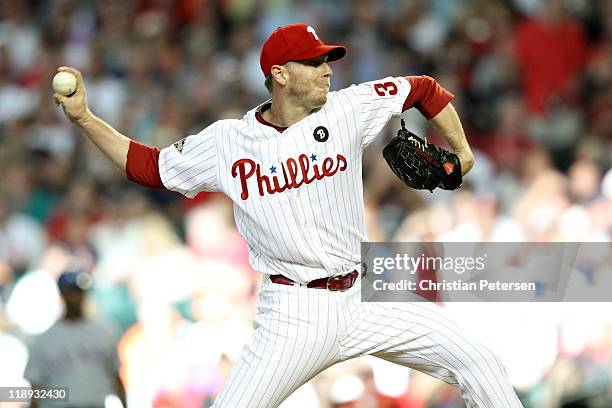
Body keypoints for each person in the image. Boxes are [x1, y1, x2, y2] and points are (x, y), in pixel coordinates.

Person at [54, 23, 522, 408]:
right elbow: (150, 166)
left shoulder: (347, 110)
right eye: (314, 62)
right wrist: (85, 119)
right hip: (293, 312)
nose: (326, 71)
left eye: (327, 61)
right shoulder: (228, 142)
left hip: (365, 294)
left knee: (479, 361)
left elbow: (423, 89)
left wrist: (462, 154)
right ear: (279, 73)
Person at [24, 268, 126, 408]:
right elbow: (35, 387)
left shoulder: (105, 332)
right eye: (70, 292)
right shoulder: (44, 339)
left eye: (78, 292)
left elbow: (116, 377)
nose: (74, 297)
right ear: (61, 294)